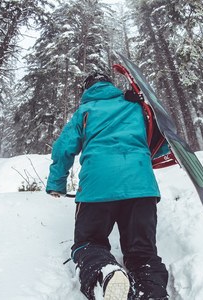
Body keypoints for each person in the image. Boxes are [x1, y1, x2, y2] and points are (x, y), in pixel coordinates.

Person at [46, 72, 169, 300]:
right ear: (110, 85)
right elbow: (161, 145)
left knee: (88, 243)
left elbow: (63, 147)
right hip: (141, 188)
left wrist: (57, 182)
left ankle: (105, 274)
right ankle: (151, 293)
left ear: (87, 89)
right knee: (142, 253)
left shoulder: (85, 111)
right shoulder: (135, 106)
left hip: (97, 189)